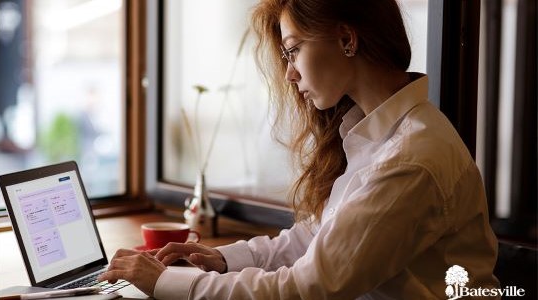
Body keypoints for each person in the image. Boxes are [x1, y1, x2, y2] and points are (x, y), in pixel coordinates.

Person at [98, 0, 500, 298]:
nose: (290, 73)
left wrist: (164, 282)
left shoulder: (410, 158)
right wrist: (221, 259)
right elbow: (318, 238)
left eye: (293, 50)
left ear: (346, 38)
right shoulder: (376, 136)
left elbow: (309, 286)